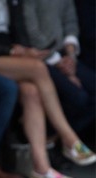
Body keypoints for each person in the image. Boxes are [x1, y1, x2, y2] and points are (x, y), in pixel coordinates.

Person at [0, 0, 96, 178]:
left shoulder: (13, 2)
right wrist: (13, 51)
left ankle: (41, 168)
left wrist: (25, 51)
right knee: (38, 68)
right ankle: (69, 138)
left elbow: (21, 32)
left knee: (31, 92)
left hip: (13, 56)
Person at [22, 0, 95, 137]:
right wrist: (58, 61)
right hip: (39, 56)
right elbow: (30, 30)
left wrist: (70, 57)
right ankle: (59, 136)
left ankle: (63, 138)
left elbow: (70, 23)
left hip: (66, 56)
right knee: (78, 97)